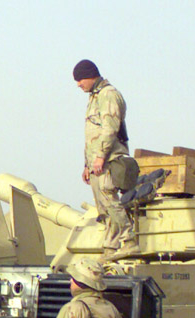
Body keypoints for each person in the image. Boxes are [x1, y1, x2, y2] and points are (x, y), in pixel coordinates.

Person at [74, 59, 137, 262]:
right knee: (103, 207)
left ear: (90, 75)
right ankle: (111, 247)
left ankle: (129, 240)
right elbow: (92, 135)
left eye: (80, 79)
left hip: (109, 159)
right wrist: (87, 164)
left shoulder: (108, 94)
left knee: (110, 200)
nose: (78, 84)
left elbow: (110, 128)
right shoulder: (94, 97)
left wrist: (101, 156)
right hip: (97, 161)